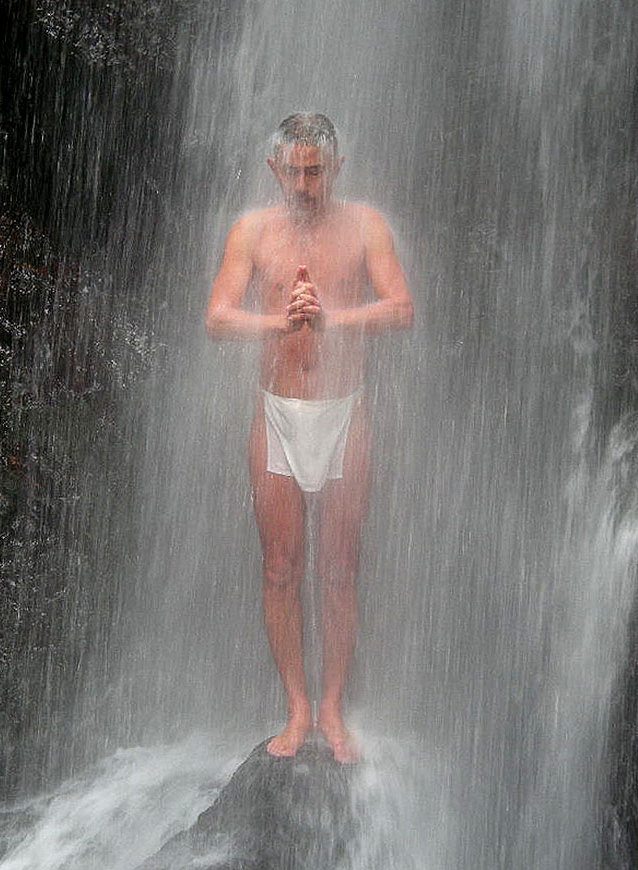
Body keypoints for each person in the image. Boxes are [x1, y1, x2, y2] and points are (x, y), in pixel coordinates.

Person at [205, 113, 412, 763]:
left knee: (340, 567)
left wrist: (332, 318)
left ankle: (332, 708)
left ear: (337, 166)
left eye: (314, 170)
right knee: (280, 567)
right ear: (274, 170)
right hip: (278, 414)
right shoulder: (251, 231)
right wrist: (276, 323)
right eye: (291, 171)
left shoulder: (365, 226)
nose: (302, 183)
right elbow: (216, 317)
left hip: (345, 412)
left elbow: (400, 308)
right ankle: (296, 707)